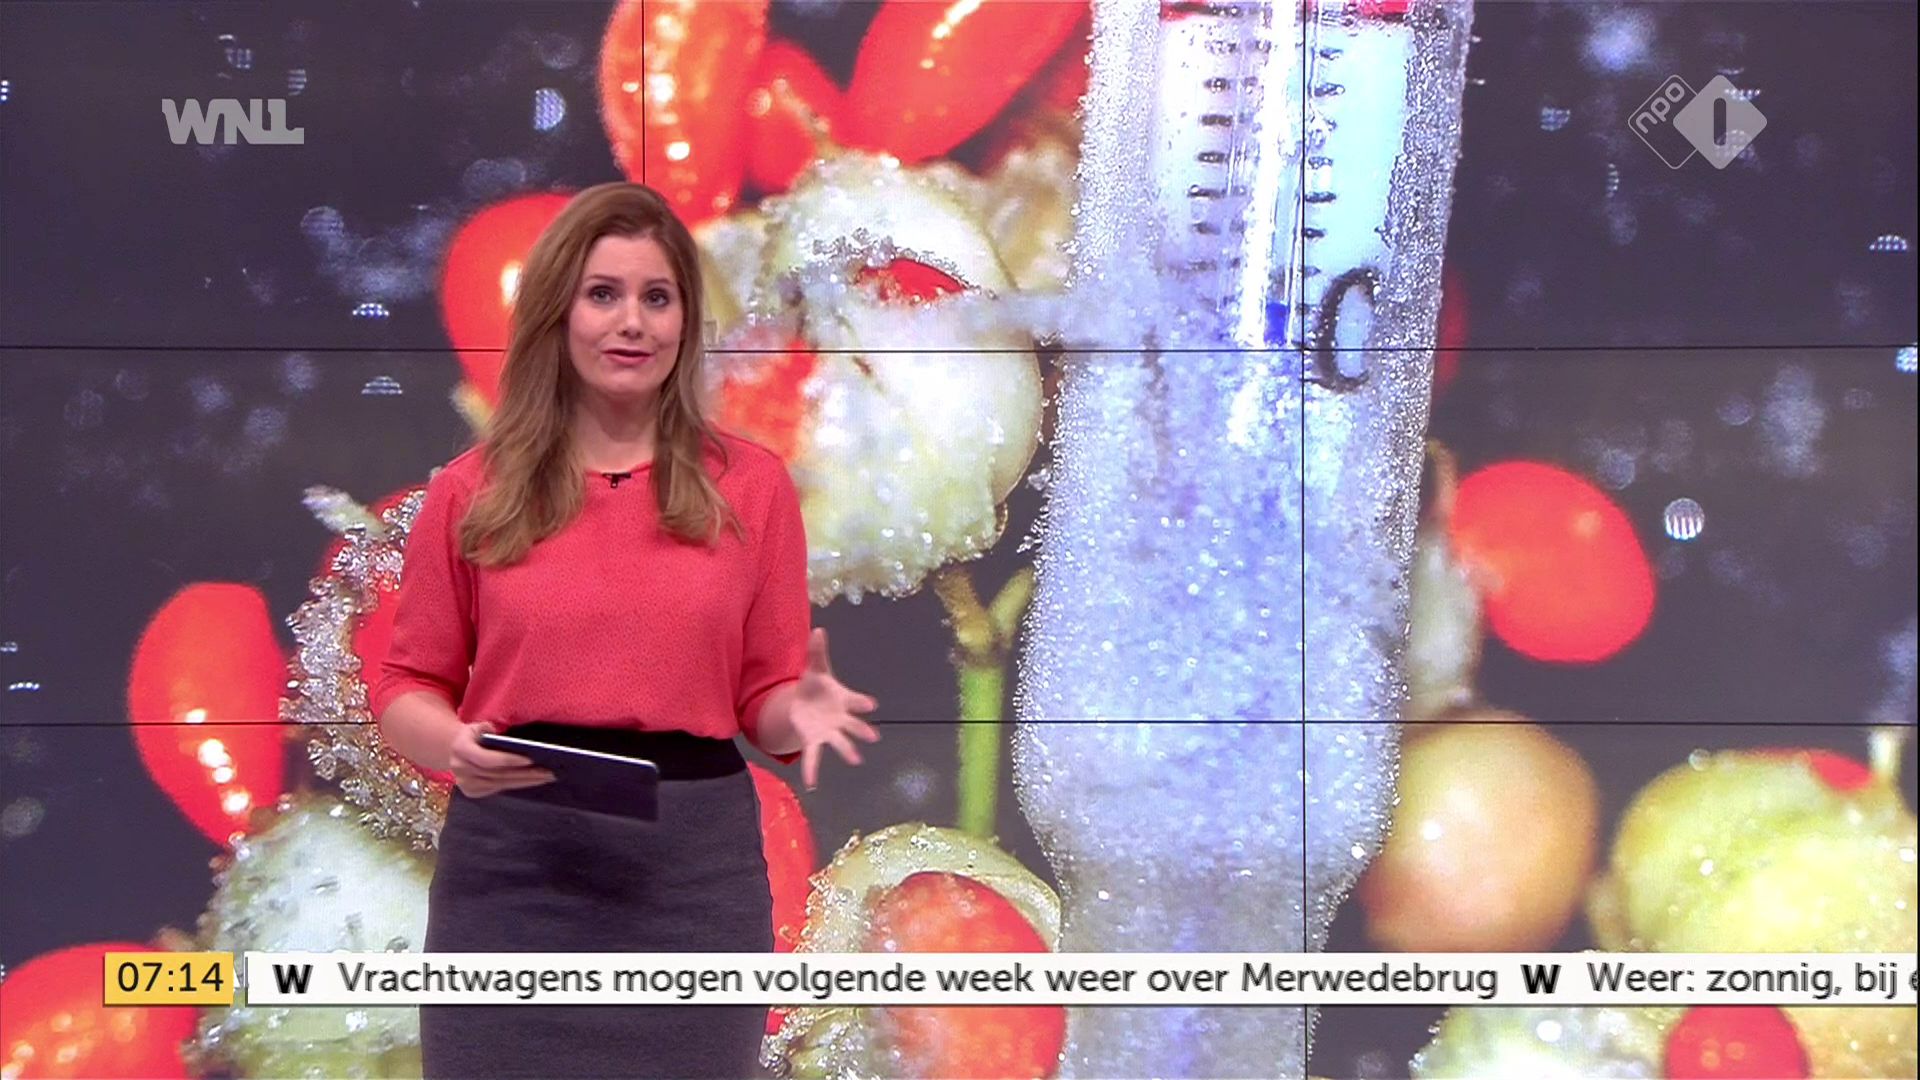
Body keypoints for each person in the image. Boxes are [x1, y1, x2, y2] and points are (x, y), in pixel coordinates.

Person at [371, 181, 881, 1080]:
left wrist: (795, 709)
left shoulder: (753, 488)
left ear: (686, 321)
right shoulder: (469, 491)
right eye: (603, 294)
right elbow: (405, 686)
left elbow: (761, 702)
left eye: (657, 297)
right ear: (557, 313)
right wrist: (449, 743)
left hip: (691, 876)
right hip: (514, 870)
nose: (632, 322)